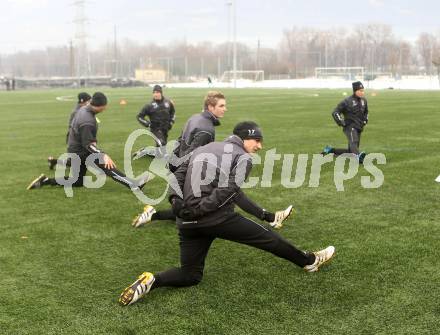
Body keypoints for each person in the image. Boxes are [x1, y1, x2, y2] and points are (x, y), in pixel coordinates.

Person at [119, 121, 335, 306]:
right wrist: (200, 208)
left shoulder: (205, 148)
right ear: (244, 138)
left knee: (190, 275)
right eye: (257, 140)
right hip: (215, 218)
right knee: (269, 238)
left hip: (187, 222)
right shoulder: (244, 158)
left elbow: (178, 175)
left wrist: (176, 201)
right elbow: (229, 190)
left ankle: (152, 280)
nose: (260, 146)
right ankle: (309, 261)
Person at [131, 91, 226, 226]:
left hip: (178, 164)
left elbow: (179, 141)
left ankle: (153, 215)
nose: (225, 109)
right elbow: (194, 155)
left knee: (191, 208)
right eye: (221, 106)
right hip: (187, 170)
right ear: (210, 107)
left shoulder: (195, 118)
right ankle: (153, 215)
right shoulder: (207, 129)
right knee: (194, 211)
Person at [27, 92, 149, 191]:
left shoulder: (85, 108)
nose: (106, 107)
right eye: (105, 106)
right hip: (81, 151)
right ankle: (134, 185)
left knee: (77, 181)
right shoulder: (87, 121)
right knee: (107, 165)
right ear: (101, 106)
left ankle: (46, 181)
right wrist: (103, 155)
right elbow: (88, 145)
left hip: (75, 149)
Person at [322, 81, 368, 163]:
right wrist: (341, 122)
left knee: (351, 151)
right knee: (354, 142)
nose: (362, 92)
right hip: (350, 127)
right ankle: (358, 157)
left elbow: (366, 112)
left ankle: (330, 150)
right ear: (355, 91)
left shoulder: (364, 101)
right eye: (360, 91)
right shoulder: (347, 101)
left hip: (359, 127)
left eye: (363, 90)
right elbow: (335, 112)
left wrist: (365, 120)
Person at [47, 92, 92, 170]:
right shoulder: (77, 112)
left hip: (77, 137)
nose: (90, 103)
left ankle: (54, 161)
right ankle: (54, 161)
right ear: (83, 101)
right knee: (77, 162)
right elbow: (75, 127)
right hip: (75, 138)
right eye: (88, 101)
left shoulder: (82, 110)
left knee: (79, 161)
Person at [132, 85, 176, 159]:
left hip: (165, 128)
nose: (155, 94)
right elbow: (139, 116)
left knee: (160, 152)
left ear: (161, 93)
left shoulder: (168, 103)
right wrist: (147, 124)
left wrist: (171, 122)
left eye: (157, 92)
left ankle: (144, 151)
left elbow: (173, 113)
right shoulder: (149, 106)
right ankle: (166, 161)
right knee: (161, 144)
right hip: (155, 129)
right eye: (154, 92)